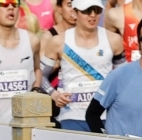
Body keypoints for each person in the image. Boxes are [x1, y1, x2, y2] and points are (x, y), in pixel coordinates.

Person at [42, 0, 123, 131]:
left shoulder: (114, 39)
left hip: (105, 115)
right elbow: (41, 76)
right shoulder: (58, 41)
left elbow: (123, 77)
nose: (93, 15)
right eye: (87, 10)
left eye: (97, 10)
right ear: (75, 12)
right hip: (71, 115)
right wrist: (55, 95)